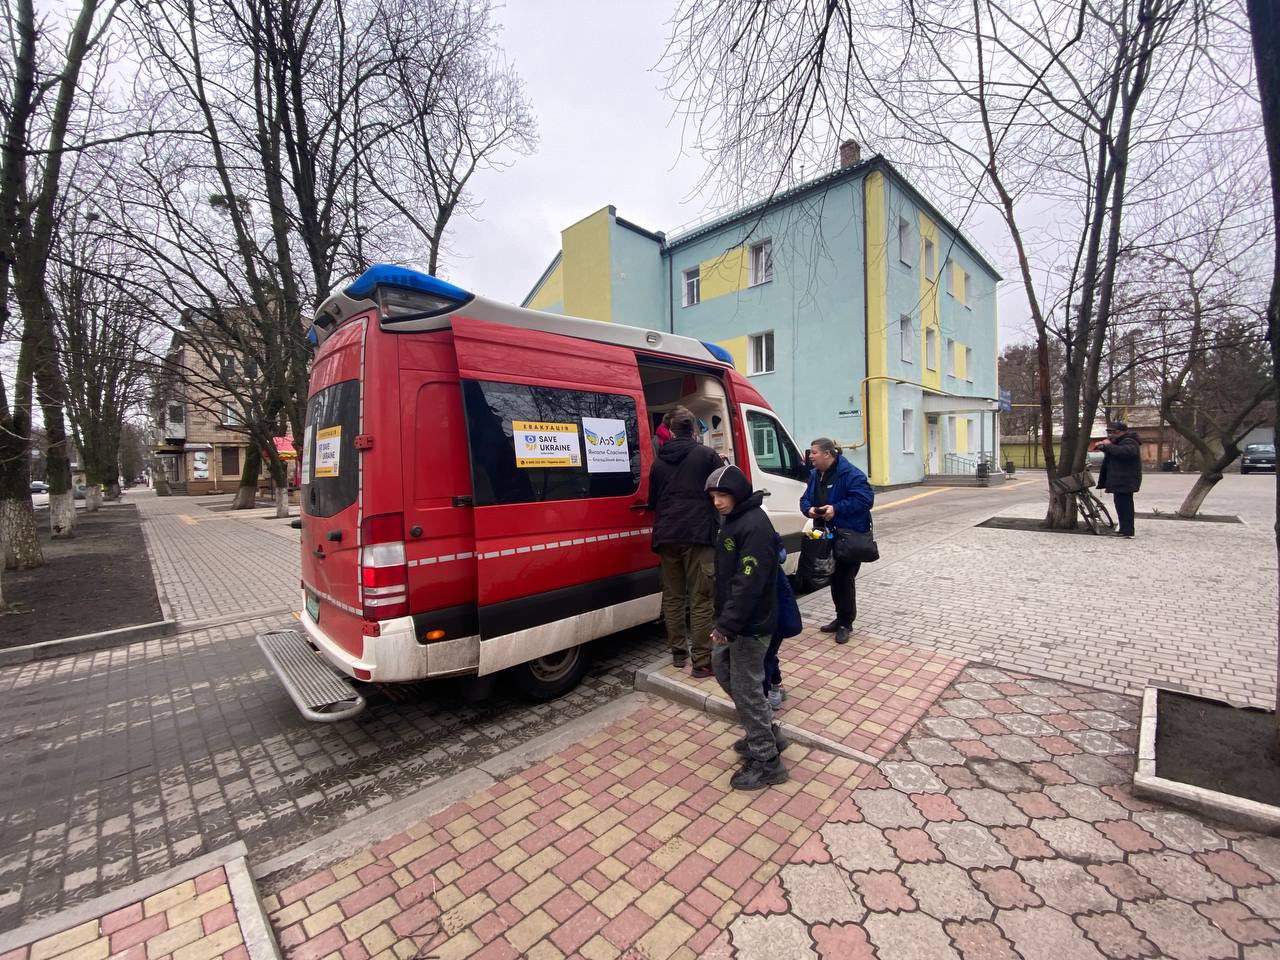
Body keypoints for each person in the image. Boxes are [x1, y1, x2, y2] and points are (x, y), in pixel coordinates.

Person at [705, 463, 789, 790]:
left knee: (747, 688)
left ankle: (767, 761)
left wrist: (727, 623)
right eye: (713, 495)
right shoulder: (735, 519)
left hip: (749, 624)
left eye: (722, 495)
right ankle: (769, 733)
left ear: (738, 493)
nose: (717, 501)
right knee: (723, 670)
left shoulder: (753, 525)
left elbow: (748, 583)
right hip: (735, 619)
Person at [649, 406, 722, 676]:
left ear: (669, 430)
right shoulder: (706, 455)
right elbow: (723, 488)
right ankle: (702, 662)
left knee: (673, 597)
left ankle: (678, 654)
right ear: (693, 429)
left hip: (666, 535)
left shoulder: (658, 462)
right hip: (697, 535)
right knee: (701, 598)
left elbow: (654, 502)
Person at [800, 438, 874, 645]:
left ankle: (845, 624)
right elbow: (805, 499)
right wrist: (810, 510)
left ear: (828, 454)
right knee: (835, 578)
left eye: (814, 452)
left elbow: (865, 500)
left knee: (845, 579)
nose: (811, 456)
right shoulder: (815, 475)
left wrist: (836, 509)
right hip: (826, 536)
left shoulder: (851, 474)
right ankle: (839, 617)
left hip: (849, 536)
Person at [1097, 420, 1142, 538]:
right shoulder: (1119, 441)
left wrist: (1108, 445)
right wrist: (1103, 447)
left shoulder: (1130, 441)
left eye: (1113, 432)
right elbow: (1115, 452)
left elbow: (1125, 452)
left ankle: (1127, 530)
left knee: (1125, 506)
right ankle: (1123, 528)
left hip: (1126, 480)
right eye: (1109, 432)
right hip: (1120, 480)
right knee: (1120, 505)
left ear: (1122, 432)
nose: (1111, 435)